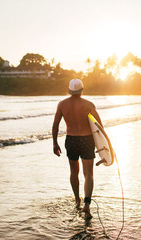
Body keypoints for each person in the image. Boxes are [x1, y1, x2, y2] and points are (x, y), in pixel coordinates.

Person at [52, 79, 103, 219]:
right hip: (86, 139)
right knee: (88, 174)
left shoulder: (62, 104)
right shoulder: (88, 105)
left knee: (74, 172)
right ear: (82, 90)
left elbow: (55, 126)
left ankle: (77, 200)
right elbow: (99, 126)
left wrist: (55, 143)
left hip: (71, 140)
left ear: (69, 89)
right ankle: (87, 204)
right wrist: (104, 147)